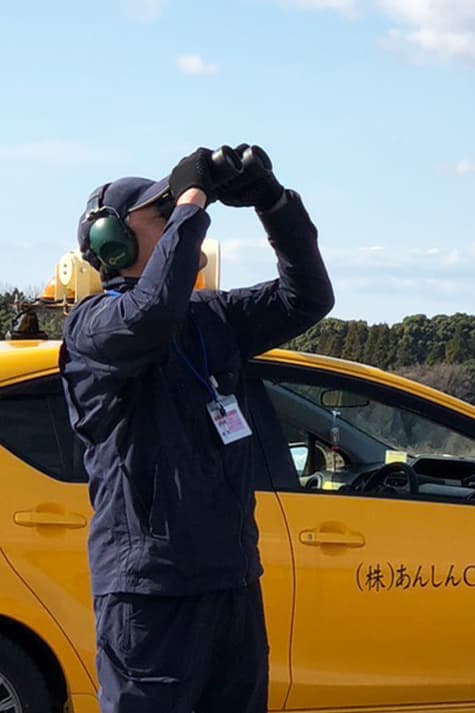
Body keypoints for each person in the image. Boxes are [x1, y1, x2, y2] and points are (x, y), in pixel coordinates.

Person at [60, 145, 335, 713]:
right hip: (150, 593)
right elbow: (151, 310)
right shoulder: (94, 329)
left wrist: (273, 203)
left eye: (171, 210)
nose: (175, 217)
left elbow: (308, 296)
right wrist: (190, 200)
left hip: (229, 581)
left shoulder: (211, 319)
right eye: (156, 214)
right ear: (114, 240)